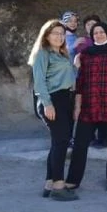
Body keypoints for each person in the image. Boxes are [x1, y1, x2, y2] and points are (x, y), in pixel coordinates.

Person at [67, 22, 107, 192]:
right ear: (92, 35)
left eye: (102, 32)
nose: (99, 35)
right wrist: (77, 106)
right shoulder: (85, 54)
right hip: (89, 105)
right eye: (96, 33)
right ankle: (73, 180)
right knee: (80, 144)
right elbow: (80, 81)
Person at [29, 19, 78, 201]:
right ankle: (58, 186)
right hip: (53, 100)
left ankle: (49, 183)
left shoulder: (63, 53)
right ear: (47, 36)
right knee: (62, 142)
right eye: (55, 33)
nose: (59, 36)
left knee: (58, 142)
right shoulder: (43, 53)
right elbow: (39, 82)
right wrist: (47, 104)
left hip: (65, 99)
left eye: (62, 33)